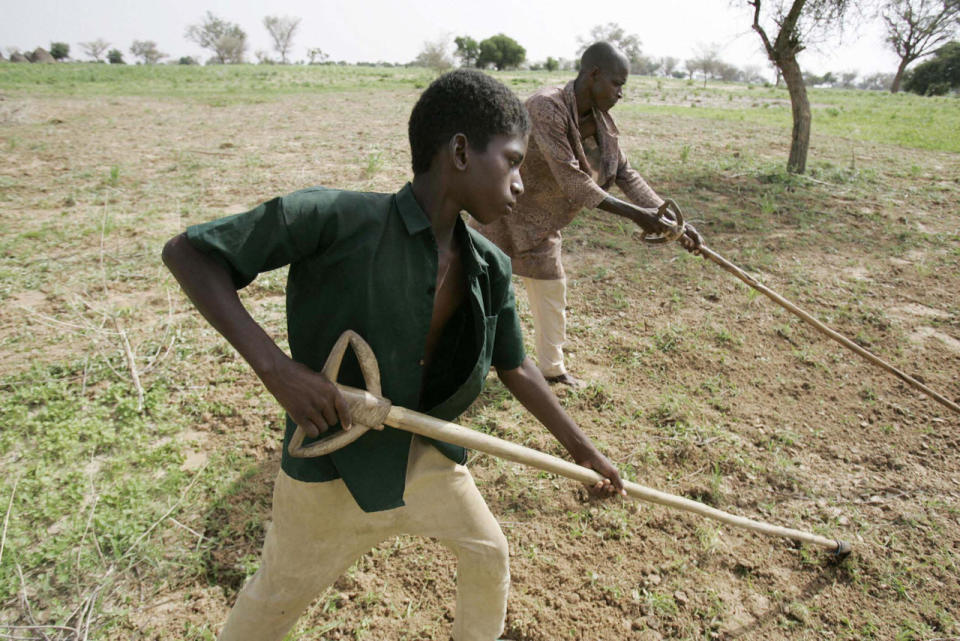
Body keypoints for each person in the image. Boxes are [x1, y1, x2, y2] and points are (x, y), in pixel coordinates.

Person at [162, 69, 625, 641]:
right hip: (330, 467)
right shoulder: (335, 220)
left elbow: (517, 366)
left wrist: (586, 453)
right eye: (511, 161)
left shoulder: (489, 266)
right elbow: (190, 255)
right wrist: (278, 371)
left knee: (488, 553)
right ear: (460, 151)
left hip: (426, 458)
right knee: (274, 600)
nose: (522, 183)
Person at [471, 42, 703, 388]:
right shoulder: (545, 107)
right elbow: (573, 181)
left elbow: (625, 174)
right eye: (617, 83)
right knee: (479, 290)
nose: (620, 93)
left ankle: (552, 369)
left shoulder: (602, 124)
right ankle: (470, 363)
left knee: (551, 288)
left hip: (542, 222)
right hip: (501, 206)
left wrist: (673, 224)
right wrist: (638, 216)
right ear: (593, 75)